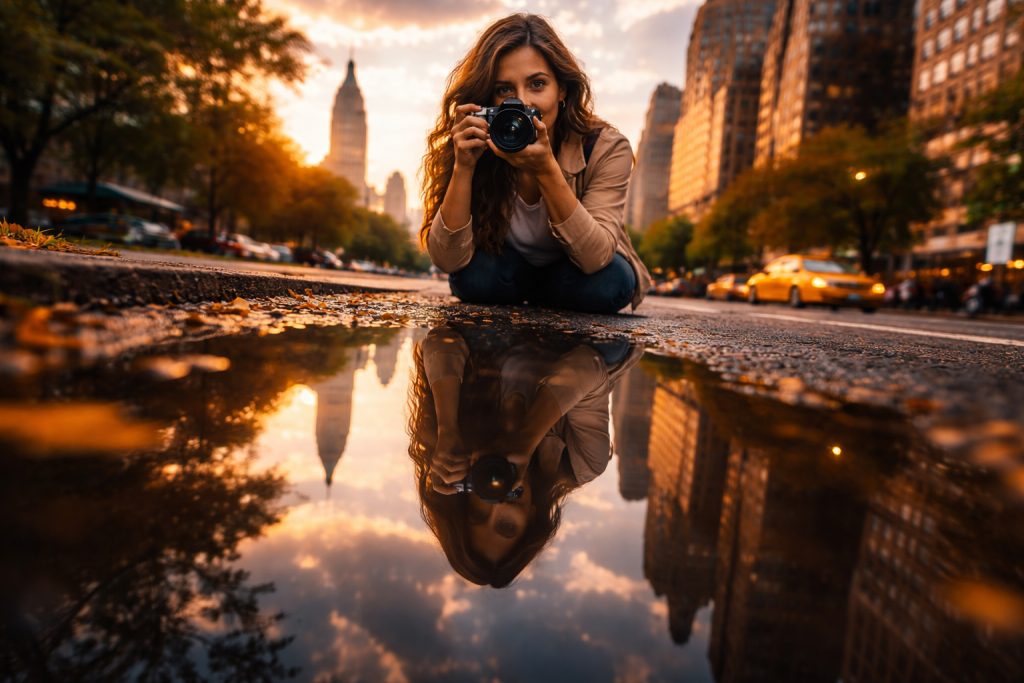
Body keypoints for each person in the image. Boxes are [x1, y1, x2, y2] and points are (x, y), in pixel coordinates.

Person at [420, 13, 651, 314]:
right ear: (487, 99)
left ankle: (538, 295)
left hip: (573, 271)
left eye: (537, 84)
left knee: (611, 281)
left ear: (562, 90)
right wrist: (464, 167)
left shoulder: (605, 147)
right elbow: (447, 260)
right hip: (508, 267)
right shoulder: (479, 141)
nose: (522, 102)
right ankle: (540, 297)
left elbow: (595, 256)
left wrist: (546, 169)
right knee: (474, 278)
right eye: (504, 90)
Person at [406, 325, 642, 587]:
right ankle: (634, 284)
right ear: (531, 519)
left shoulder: (458, 441)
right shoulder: (582, 463)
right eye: (507, 526)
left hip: (513, 314)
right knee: (611, 344)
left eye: (478, 514)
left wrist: (447, 428)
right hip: (574, 319)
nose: (498, 506)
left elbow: (442, 339)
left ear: (461, 492)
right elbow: (589, 363)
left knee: (477, 286)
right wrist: (526, 440)